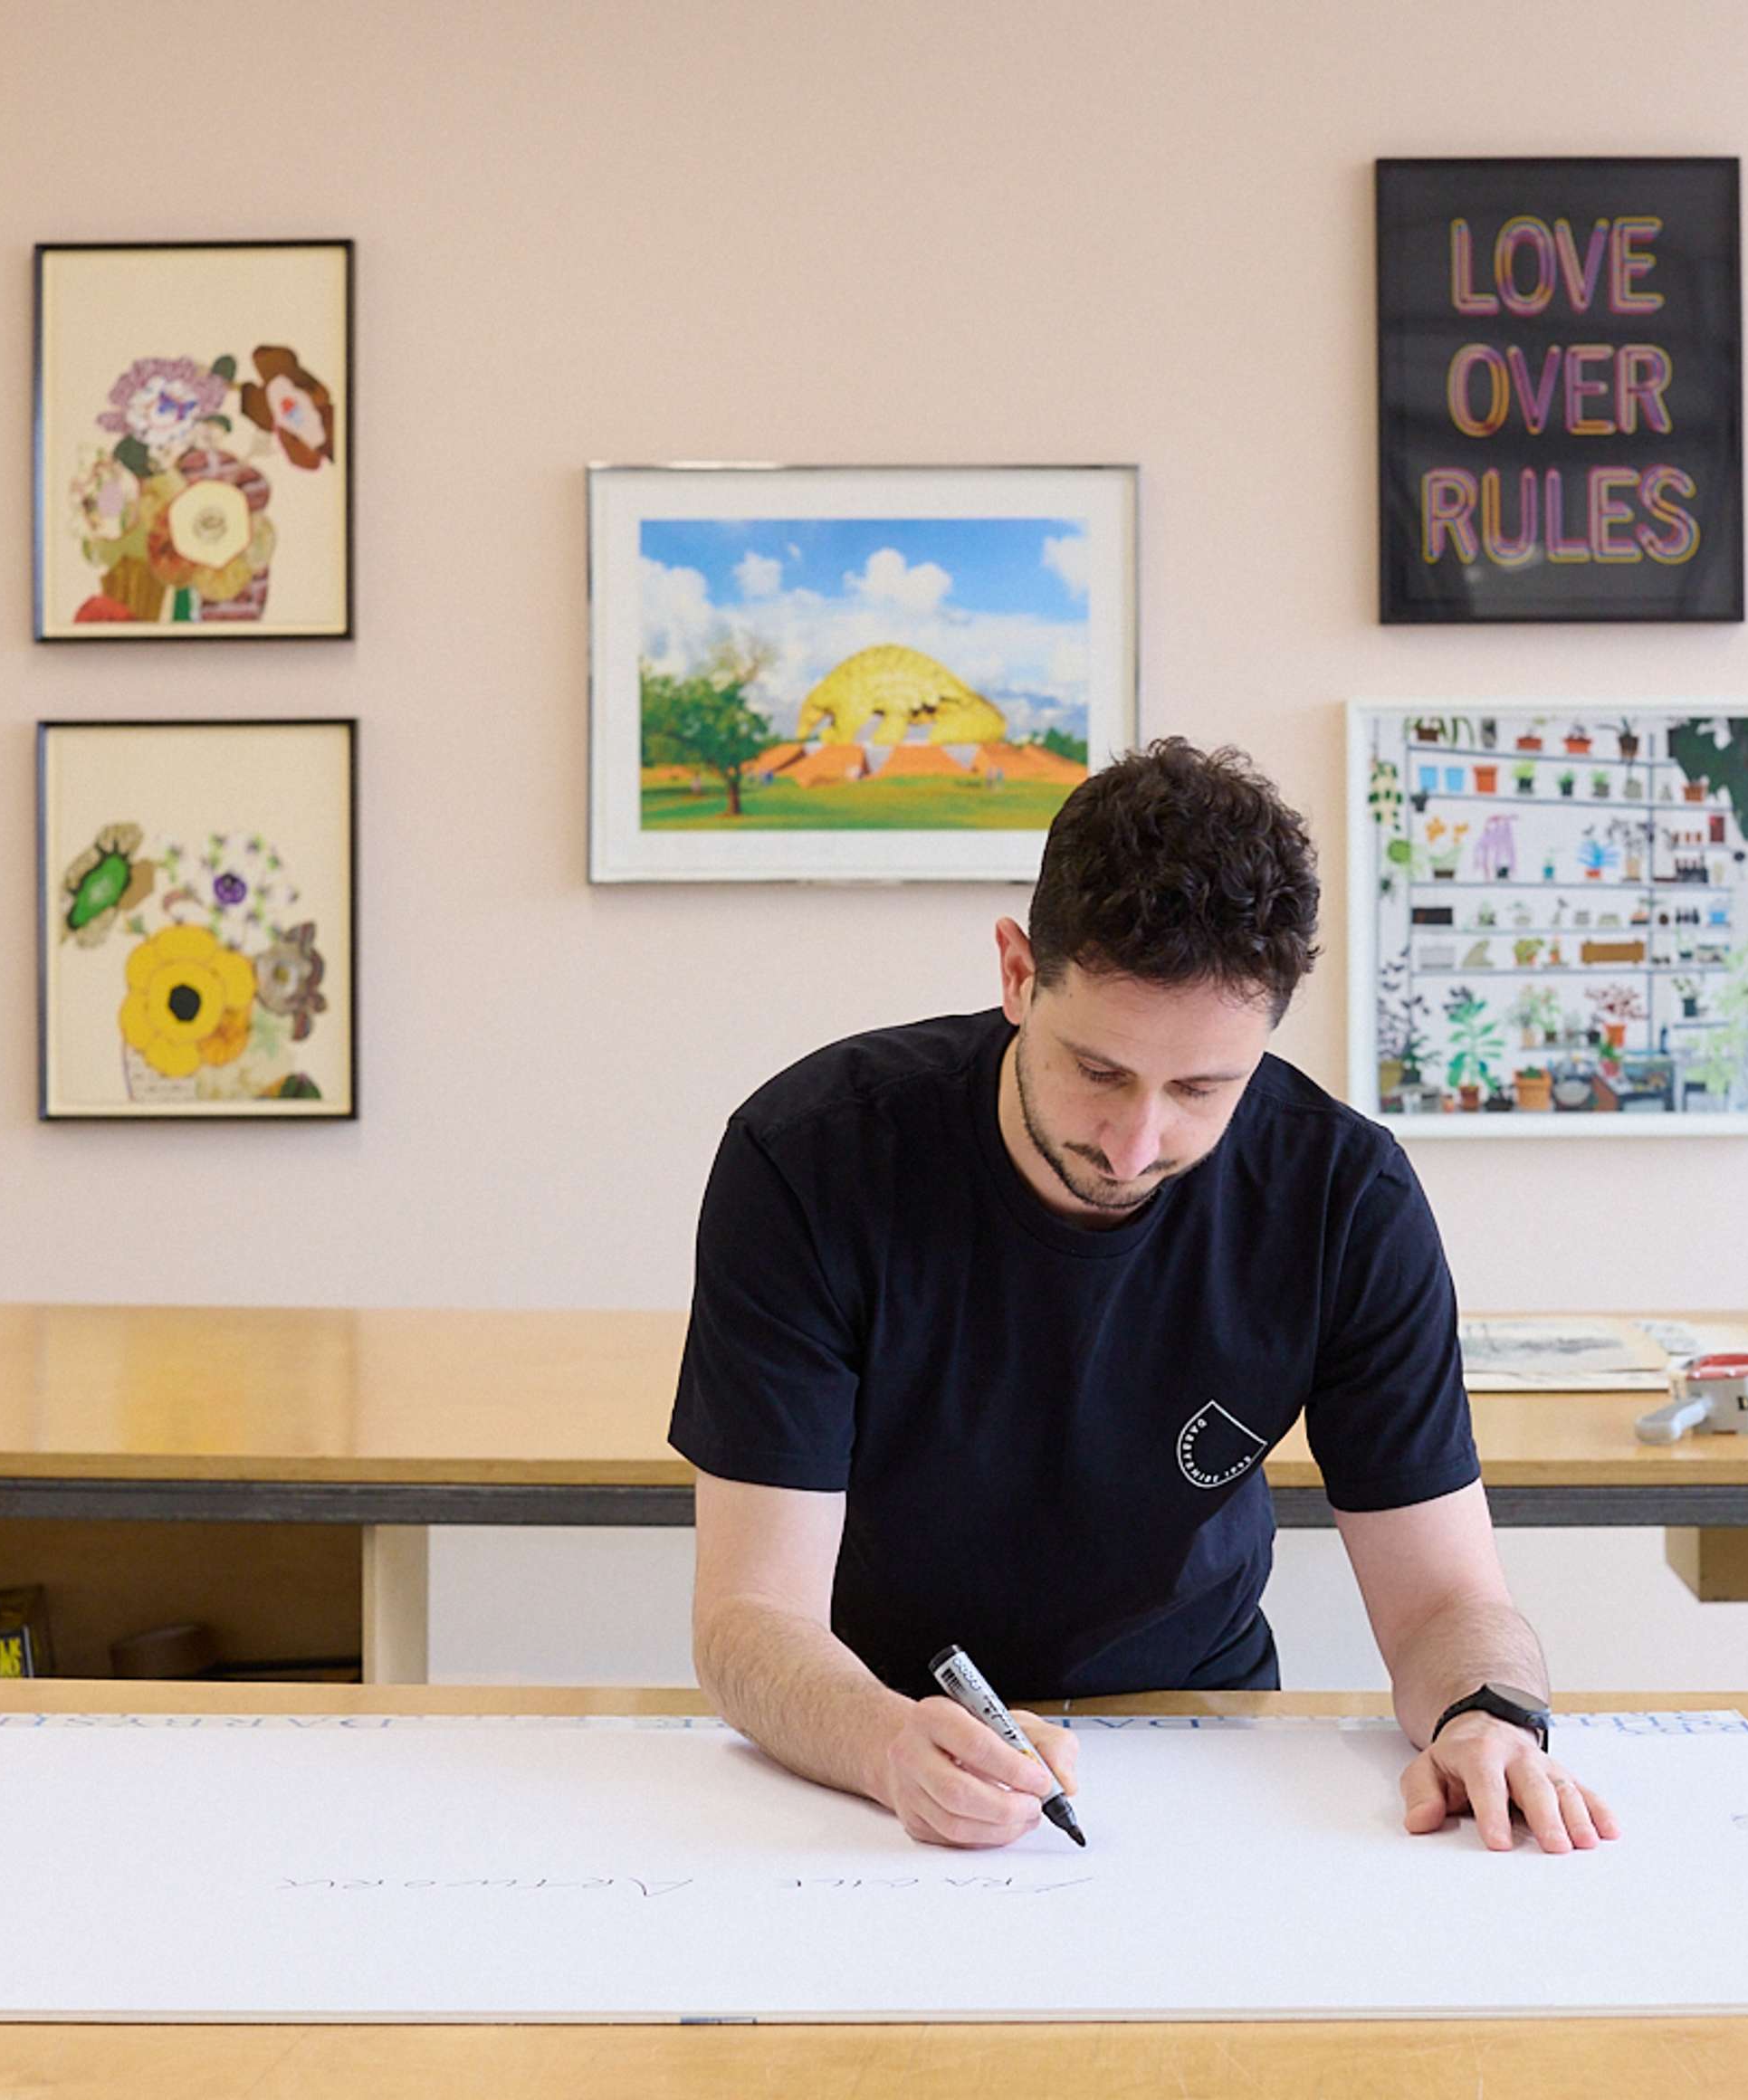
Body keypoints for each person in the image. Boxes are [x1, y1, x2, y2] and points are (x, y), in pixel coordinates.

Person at [673, 739, 1619, 1857]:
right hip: (861, 1735)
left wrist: (1488, 1713)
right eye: (1100, 1070)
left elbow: (1441, 1601)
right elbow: (751, 1619)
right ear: (1020, 974)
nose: (1135, 1143)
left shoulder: (1343, 1197)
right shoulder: (812, 1158)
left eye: (1203, 1088)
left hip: (1200, 1727)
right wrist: (885, 1744)